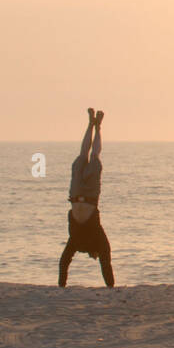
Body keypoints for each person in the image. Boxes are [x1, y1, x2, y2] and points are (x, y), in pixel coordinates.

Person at [59, 108, 114, 287]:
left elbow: (64, 261)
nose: (96, 256)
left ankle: (93, 125)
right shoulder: (94, 239)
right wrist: (110, 287)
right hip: (86, 195)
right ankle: (96, 127)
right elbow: (105, 258)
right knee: (92, 155)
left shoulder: (77, 241)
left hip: (78, 195)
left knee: (86, 155)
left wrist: (62, 286)